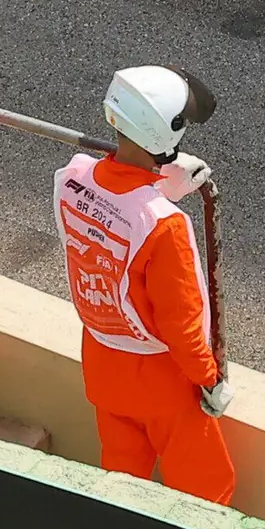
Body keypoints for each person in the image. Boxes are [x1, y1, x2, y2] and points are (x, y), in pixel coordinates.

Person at [56, 66, 234, 502]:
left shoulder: (70, 178)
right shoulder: (166, 226)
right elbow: (182, 321)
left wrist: (157, 184)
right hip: (162, 382)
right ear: (168, 134)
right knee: (206, 490)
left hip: (101, 358)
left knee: (121, 479)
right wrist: (209, 379)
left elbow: (111, 212)